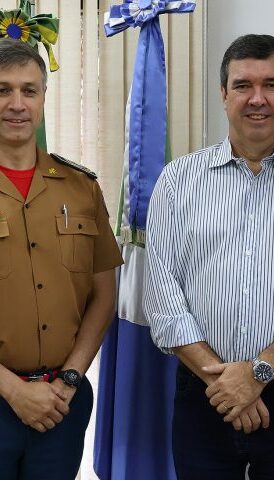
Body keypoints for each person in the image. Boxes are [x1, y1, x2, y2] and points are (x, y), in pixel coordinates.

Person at [144, 34, 274, 479]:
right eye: (243, 85)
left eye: (271, 85)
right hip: (203, 397)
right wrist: (225, 384)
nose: (257, 99)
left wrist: (257, 372)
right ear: (223, 94)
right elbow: (163, 296)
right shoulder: (177, 180)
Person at [0, 38, 123, 479]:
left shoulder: (80, 187)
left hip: (62, 401)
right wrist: (13, 390)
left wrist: (70, 379)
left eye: (29, 91)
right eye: (3, 90)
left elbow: (104, 297)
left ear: (43, 99)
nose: (17, 104)